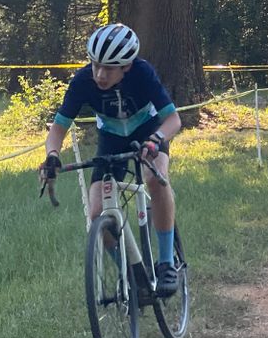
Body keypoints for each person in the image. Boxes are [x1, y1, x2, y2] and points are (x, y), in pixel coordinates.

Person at [38, 23, 182, 296]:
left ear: (126, 66)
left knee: (156, 180)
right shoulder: (82, 81)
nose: (100, 75)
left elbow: (173, 119)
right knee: (96, 215)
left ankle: (166, 264)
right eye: (95, 65)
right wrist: (52, 155)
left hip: (147, 130)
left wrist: (156, 139)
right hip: (112, 136)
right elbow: (57, 129)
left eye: (109, 68)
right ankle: (132, 277)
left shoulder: (142, 73)